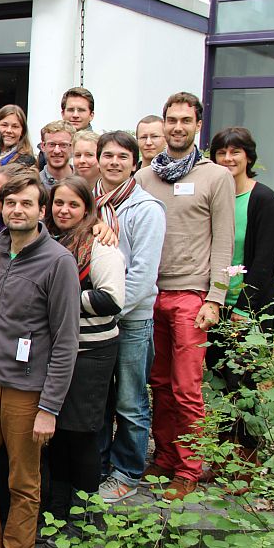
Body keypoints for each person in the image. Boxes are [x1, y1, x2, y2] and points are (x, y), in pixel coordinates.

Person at [0, 170, 80, 548]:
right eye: (10, 203)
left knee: (23, 482)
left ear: (41, 210)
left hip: (27, 392)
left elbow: (66, 341)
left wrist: (49, 407)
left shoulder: (58, 261)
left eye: (27, 203)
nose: (17, 209)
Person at [135, 92, 234, 500]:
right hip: (151, 295)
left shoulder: (216, 177)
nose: (177, 127)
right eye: (170, 120)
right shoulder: (144, 178)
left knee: (187, 388)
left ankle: (189, 469)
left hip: (192, 295)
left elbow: (224, 243)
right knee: (156, 383)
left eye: (184, 120)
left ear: (198, 125)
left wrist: (216, 298)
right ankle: (165, 457)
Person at [44, 177, 125, 527]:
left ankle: (86, 516)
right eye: (58, 203)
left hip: (91, 353)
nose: (64, 210)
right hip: (58, 351)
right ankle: (58, 512)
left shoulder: (99, 244)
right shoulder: (47, 240)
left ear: (87, 209)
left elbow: (112, 300)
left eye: (73, 205)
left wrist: (58, 300)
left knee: (81, 433)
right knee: (58, 433)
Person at [89, 132, 165, 504]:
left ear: (135, 163)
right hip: (94, 319)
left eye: (123, 156)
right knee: (98, 398)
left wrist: (109, 309)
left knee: (130, 400)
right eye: (108, 155)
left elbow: (142, 273)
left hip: (131, 319)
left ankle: (127, 472)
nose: (114, 162)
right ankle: (98, 466)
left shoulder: (146, 209)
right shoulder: (89, 202)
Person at [207, 126, 274, 464]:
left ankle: (247, 458)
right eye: (222, 152)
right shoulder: (214, 194)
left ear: (248, 157)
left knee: (244, 381)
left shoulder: (263, 199)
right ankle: (224, 455)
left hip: (248, 307)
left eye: (235, 152)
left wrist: (242, 308)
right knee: (219, 381)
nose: (228, 159)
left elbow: (265, 262)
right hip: (216, 303)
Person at [39, 121, 76, 188]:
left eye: (63, 145)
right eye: (51, 144)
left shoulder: (84, 181)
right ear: (42, 147)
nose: (57, 151)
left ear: (73, 147)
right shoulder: (34, 184)